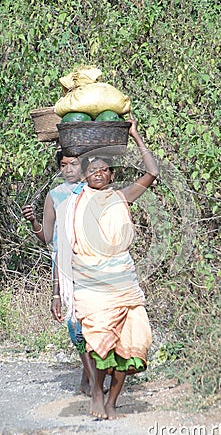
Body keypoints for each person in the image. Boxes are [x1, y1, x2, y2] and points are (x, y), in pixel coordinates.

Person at [53, 113, 159, 419]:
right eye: (93, 170)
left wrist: (136, 136)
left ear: (111, 175)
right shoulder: (71, 204)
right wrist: (57, 294)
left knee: (128, 342)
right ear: (85, 176)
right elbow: (62, 252)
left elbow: (152, 172)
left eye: (104, 170)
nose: (98, 173)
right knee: (98, 341)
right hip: (89, 284)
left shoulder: (121, 197)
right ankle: (97, 394)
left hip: (122, 282)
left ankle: (112, 402)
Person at [22, 151, 96, 396]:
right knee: (75, 324)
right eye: (63, 165)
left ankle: (91, 379)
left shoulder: (94, 189)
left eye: (74, 164)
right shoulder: (55, 195)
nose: (68, 169)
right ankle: (91, 379)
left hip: (92, 264)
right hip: (65, 269)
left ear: (84, 167)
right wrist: (33, 222)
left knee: (94, 321)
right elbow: (47, 238)